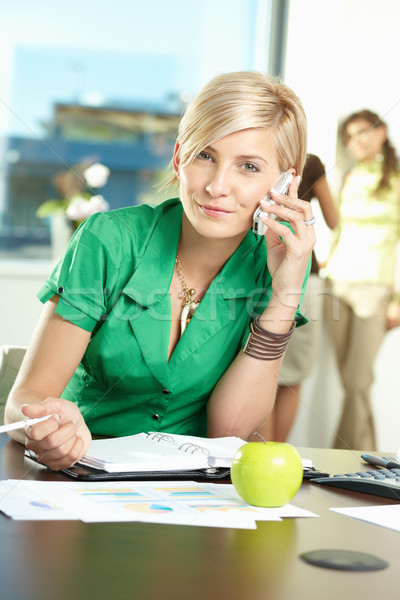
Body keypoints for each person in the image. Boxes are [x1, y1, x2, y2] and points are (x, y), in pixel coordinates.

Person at [5, 71, 315, 471]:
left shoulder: (278, 263)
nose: (218, 186)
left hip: (191, 489)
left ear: (285, 182)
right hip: (76, 474)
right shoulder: (109, 240)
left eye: (249, 167)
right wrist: (46, 430)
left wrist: (283, 298)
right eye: (206, 155)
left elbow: (229, 430)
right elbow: (24, 400)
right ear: (178, 157)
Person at [324, 109, 400, 450]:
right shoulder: (348, 178)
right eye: (350, 137)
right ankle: (368, 461)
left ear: (381, 132)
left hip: (376, 288)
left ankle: (346, 457)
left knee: (357, 380)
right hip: (335, 284)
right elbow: (337, 229)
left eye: (363, 133)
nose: (356, 142)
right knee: (352, 382)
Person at [250, 154, 338, 442]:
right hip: (303, 272)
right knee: (289, 376)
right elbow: (335, 219)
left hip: (252, 268)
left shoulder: (256, 154)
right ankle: (273, 457)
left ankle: (263, 457)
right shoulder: (310, 162)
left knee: (263, 369)